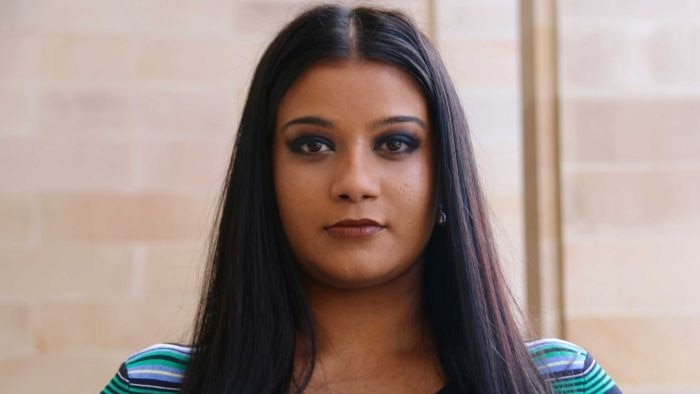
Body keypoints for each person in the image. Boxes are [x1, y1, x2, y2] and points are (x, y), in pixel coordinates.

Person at [101, 4, 621, 394]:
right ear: (265, 175)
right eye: (313, 144)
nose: (355, 182)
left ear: (444, 176)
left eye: (395, 144)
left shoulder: (558, 382)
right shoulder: (156, 386)